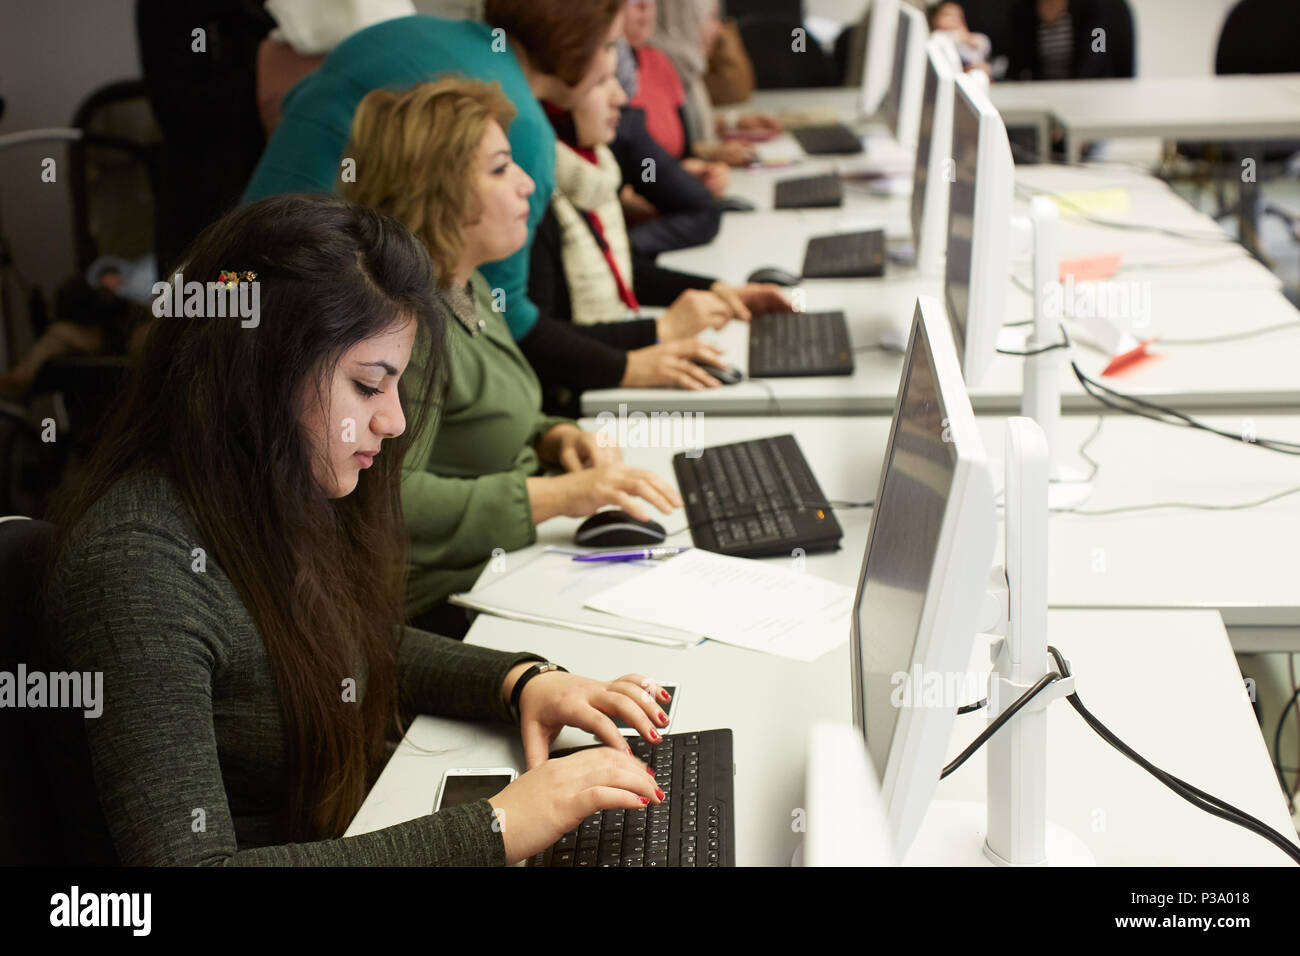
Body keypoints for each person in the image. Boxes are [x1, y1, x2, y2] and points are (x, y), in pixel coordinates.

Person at [36, 194, 670, 866]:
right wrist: (494, 829)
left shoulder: (267, 484)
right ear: (259, 376)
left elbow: (342, 648)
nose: (394, 421)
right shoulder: (139, 571)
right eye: (369, 386)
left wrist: (519, 682)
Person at [341, 78, 686, 636]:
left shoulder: (463, 282)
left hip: (507, 565)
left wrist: (553, 436)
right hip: (440, 607)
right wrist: (561, 495)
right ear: (439, 190)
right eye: (501, 168)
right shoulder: (407, 327)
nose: (528, 183)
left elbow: (485, 419)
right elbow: (391, 495)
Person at [243, 1, 723, 396]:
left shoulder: (426, 31)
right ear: (575, 42)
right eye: (609, 45)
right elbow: (508, 320)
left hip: (238, 270)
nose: (615, 64)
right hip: (305, 322)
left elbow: (295, 102)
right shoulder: (523, 127)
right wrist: (633, 363)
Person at [531, 69, 791, 377]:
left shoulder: (594, 168)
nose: (621, 98)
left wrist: (716, 289)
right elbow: (537, 340)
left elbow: (619, 269)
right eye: (600, 81)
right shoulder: (537, 193)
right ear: (554, 98)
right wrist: (660, 330)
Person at [649, 0, 782, 169]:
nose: (720, 29)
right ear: (684, 22)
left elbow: (688, 127)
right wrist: (708, 154)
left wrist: (734, 123)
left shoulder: (689, 72)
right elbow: (664, 151)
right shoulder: (658, 70)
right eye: (710, 17)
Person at [928, 1, 994, 75]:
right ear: (934, 18)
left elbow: (983, 46)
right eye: (947, 15)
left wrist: (965, 38)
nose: (953, 19)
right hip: (957, 74)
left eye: (958, 16)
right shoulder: (937, 37)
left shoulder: (967, 37)